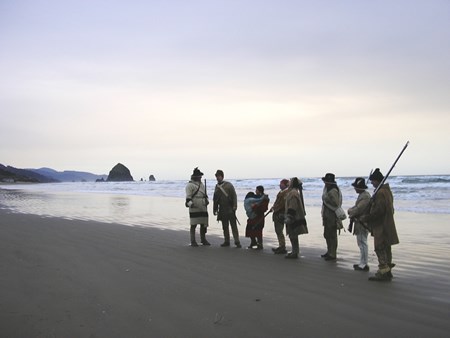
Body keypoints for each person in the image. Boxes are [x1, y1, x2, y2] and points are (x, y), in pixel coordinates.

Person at [361, 168, 399, 282]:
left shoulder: (381, 192)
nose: (371, 183)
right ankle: (388, 271)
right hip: (387, 223)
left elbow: (379, 211)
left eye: (373, 181)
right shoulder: (386, 190)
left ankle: (383, 272)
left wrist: (366, 217)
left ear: (377, 180)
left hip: (381, 225)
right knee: (387, 247)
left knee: (380, 247)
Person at [347, 177, 371, 271]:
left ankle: (364, 264)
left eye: (356, 187)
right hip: (360, 222)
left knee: (362, 243)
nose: (354, 188)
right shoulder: (363, 195)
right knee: (361, 243)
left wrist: (350, 211)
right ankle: (362, 262)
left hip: (362, 222)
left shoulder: (365, 196)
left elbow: (359, 209)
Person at [213, 170, 241, 248]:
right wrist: (214, 209)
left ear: (222, 176)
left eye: (218, 176)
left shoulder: (229, 185)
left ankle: (237, 241)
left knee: (233, 226)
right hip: (222, 209)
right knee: (225, 226)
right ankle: (226, 241)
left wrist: (235, 206)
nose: (217, 178)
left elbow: (234, 196)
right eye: (216, 176)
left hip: (230, 208)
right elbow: (215, 199)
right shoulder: (216, 187)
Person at [321, 173, 344, 261]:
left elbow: (336, 203)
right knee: (327, 234)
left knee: (332, 235)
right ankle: (329, 251)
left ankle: (332, 253)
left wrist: (326, 198)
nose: (325, 183)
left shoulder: (333, 190)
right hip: (327, 214)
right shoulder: (329, 188)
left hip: (332, 215)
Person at [284, 177, 308, 259]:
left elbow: (293, 205)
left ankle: (295, 252)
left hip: (293, 217)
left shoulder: (293, 193)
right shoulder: (294, 192)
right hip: (294, 216)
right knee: (293, 235)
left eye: (290, 181)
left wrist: (289, 216)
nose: (288, 182)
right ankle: (295, 251)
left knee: (293, 235)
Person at [185, 167, 210, 247]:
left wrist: (206, 200)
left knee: (203, 224)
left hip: (203, 206)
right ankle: (193, 240)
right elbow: (188, 198)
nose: (200, 178)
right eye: (199, 176)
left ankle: (203, 239)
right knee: (193, 224)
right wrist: (191, 204)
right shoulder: (190, 185)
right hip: (195, 206)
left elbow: (205, 195)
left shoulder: (202, 184)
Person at [270, 179, 290, 254]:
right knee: (278, 231)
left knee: (279, 230)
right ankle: (281, 245)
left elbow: (282, 204)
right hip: (277, 213)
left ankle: (282, 246)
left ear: (285, 185)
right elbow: (277, 202)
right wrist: (273, 207)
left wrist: (275, 208)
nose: (280, 185)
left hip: (280, 214)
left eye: (281, 184)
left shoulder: (286, 193)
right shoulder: (281, 192)